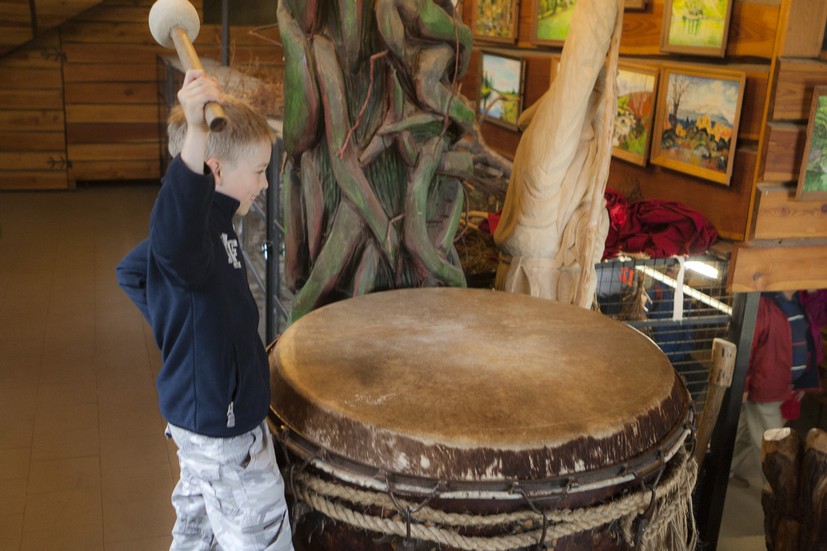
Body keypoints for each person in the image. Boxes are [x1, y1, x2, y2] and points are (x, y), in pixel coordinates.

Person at [116, 69, 293, 550]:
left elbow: (135, 270)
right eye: (258, 171)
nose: (263, 184)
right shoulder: (191, 237)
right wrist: (196, 131)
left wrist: (187, 333)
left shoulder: (215, 226)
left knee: (199, 538)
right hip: (224, 435)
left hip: (208, 427)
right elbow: (170, 239)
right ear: (214, 171)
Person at [729, 289, 827, 487]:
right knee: (772, 446)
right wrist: (743, 384)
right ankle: (778, 494)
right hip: (767, 389)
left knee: (745, 435)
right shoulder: (764, 304)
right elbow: (748, 345)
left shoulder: (798, 301)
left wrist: (802, 381)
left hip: (784, 387)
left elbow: (809, 337)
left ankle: (721, 474)